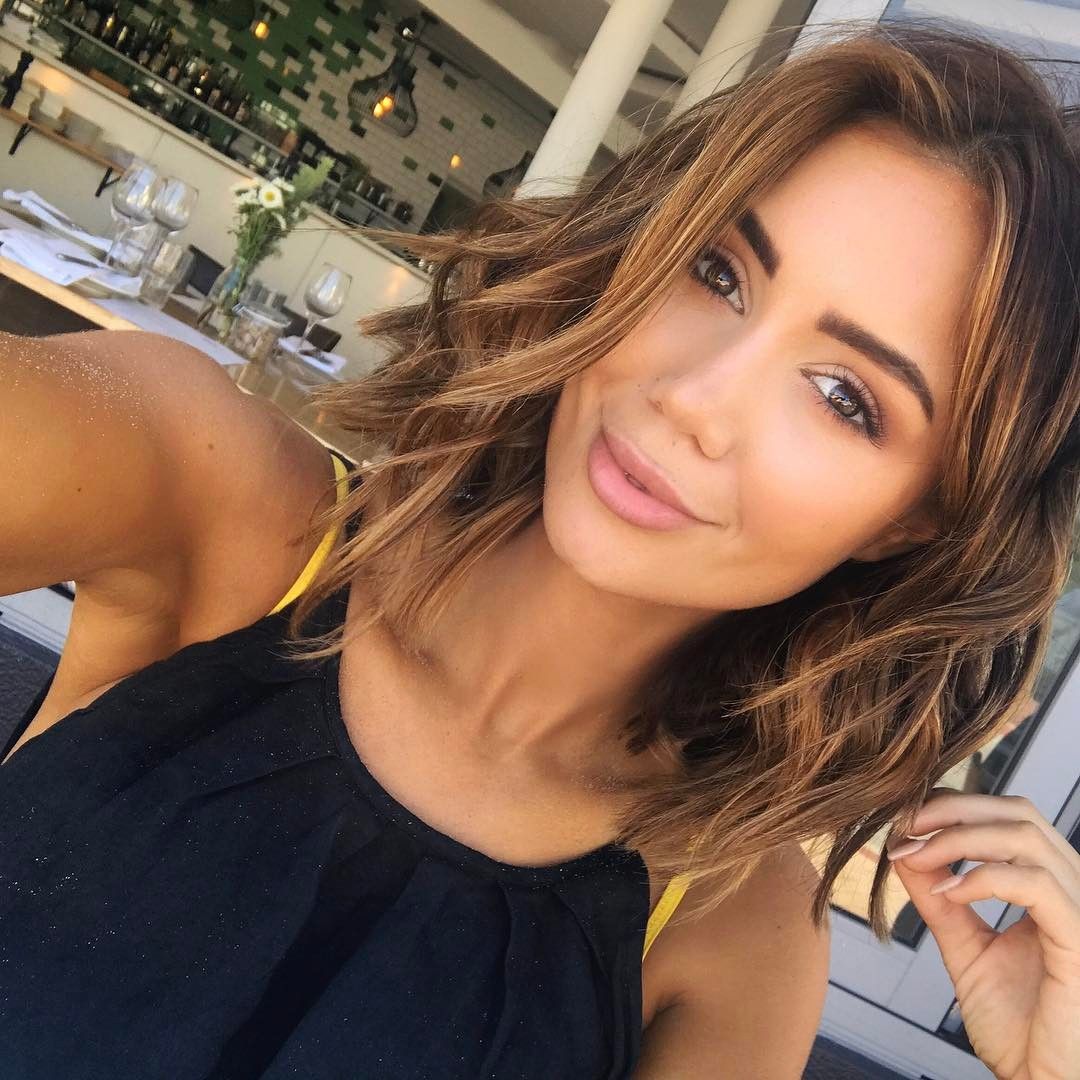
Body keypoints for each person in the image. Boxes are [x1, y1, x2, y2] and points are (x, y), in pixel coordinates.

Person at [2, 19, 1079, 1080]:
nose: (694, 398)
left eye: (844, 396)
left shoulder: (729, 941)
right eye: (716, 271)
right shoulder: (219, 500)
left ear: (914, 520)